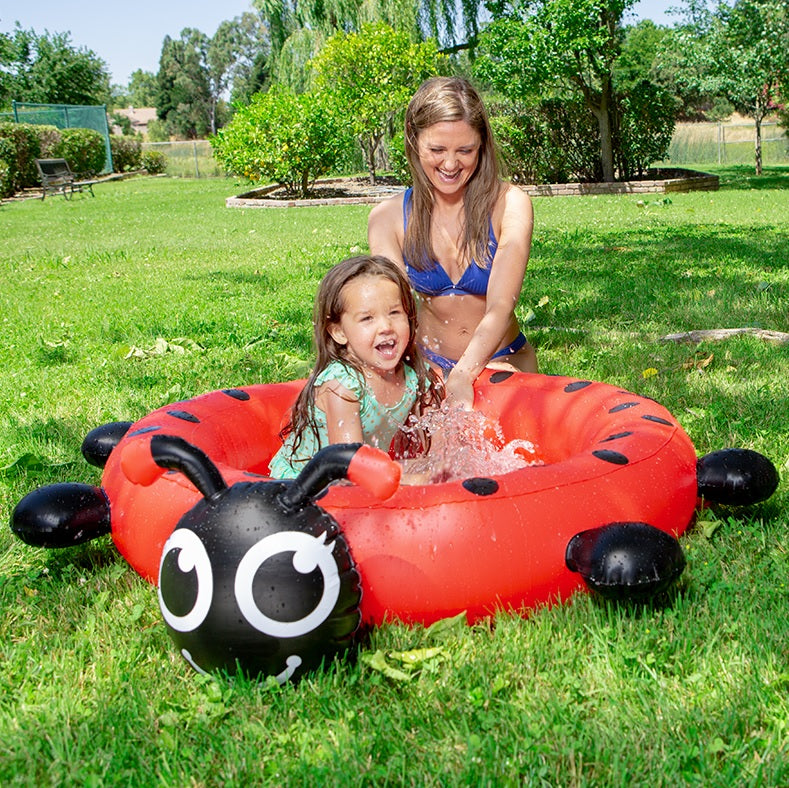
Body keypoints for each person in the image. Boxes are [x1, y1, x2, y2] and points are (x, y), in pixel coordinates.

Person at [368, 76, 538, 410]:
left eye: (465, 150)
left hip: (502, 362)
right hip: (427, 366)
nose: (449, 164)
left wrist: (463, 374)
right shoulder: (387, 218)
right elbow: (391, 311)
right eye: (436, 150)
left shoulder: (510, 203)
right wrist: (417, 369)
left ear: (482, 145)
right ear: (414, 141)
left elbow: (501, 305)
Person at [269, 255, 441, 480]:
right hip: (303, 486)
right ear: (339, 332)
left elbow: (441, 446)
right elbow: (349, 471)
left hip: (356, 477)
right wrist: (412, 480)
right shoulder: (342, 387)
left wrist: (443, 467)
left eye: (394, 313)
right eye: (367, 318)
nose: (386, 327)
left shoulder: (413, 377)